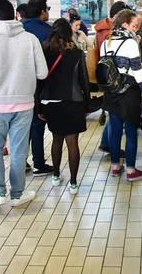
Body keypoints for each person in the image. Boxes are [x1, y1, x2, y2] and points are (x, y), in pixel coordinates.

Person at [0, 0, 48, 207]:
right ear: (15, 14)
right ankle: (17, 195)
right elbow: (42, 73)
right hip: (24, 104)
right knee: (19, 149)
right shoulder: (30, 39)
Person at [38, 19, 91, 195]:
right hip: (73, 100)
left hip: (50, 101)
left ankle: (55, 176)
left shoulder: (44, 50)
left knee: (56, 139)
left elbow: (38, 80)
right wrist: (87, 103)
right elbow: (84, 79)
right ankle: (74, 183)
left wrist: (38, 106)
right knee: (72, 142)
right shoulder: (76, 52)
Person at [101, 9, 142, 182]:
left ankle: (115, 167)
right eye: (134, 25)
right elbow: (137, 70)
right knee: (130, 132)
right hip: (129, 93)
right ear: (125, 24)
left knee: (114, 131)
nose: (136, 29)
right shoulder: (130, 43)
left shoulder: (107, 42)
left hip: (111, 92)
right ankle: (130, 170)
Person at [17, 0, 54, 176]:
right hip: (42, 85)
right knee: (38, 124)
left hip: (20, 85)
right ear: (42, 11)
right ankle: (39, 164)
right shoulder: (48, 31)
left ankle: (21, 161)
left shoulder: (19, 30)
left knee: (23, 125)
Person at [95, 1, 129, 156]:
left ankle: (106, 143)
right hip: (115, 76)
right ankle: (110, 146)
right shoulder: (109, 32)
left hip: (107, 75)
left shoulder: (102, 29)